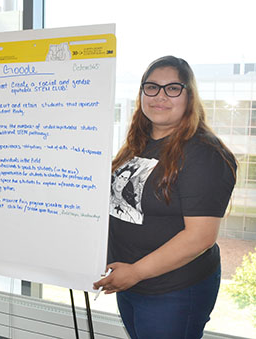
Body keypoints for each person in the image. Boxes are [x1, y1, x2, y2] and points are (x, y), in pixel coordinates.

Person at [93, 56, 237, 339]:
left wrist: (135, 272)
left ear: (189, 95)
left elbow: (200, 237)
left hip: (174, 290)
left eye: (172, 88)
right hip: (134, 282)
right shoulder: (140, 143)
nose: (160, 96)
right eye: (152, 87)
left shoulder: (204, 153)